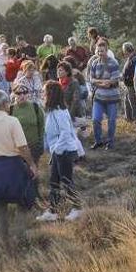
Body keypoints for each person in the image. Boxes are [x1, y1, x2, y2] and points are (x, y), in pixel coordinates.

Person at [0, 90, 38, 247]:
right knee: (24, 199)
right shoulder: (12, 121)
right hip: (13, 165)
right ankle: (20, 234)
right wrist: (31, 164)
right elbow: (23, 147)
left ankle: (4, 240)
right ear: (6, 104)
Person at [37, 81, 84, 222]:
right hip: (58, 151)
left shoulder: (59, 112)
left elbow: (65, 132)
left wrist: (57, 149)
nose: (43, 95)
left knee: (66, 181)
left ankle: (78, 208)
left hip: (64, 151)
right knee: (54, 182)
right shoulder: (52, 111)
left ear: (51, 94)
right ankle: (53, 211)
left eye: (44, 92)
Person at [89, 40, 121, 149]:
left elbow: (113, 80)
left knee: (111, 121)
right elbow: (91, 79)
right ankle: (98, 141)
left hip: (112, 98)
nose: (100, 53)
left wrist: (99, 82)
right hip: (98, 97)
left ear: (106, 50)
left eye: (102, 51)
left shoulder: (113, 63)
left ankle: (110, 142)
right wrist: (102, 82)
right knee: (95, 119)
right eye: (98, 51)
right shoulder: (94, 63)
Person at [10, 84, 45, 165]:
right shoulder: (10, 109)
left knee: (32, 172)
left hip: (33, 146)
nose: (22, 95)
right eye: (19, 93)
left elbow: (42, 126)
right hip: (17, 148)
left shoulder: (35, 107)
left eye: (25, 93)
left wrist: (40, 142)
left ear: (28, 94)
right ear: (14, 95)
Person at [121, 42, 136, 123]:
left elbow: (133, 73)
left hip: (131, 85)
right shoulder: (130, 58)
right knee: (127, 102)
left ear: (126, 50)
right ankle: (129, 119)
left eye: (124, 50)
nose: (123, 51)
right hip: (128, 85)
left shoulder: (135, 59)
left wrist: (126, 77)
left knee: (133, 103)